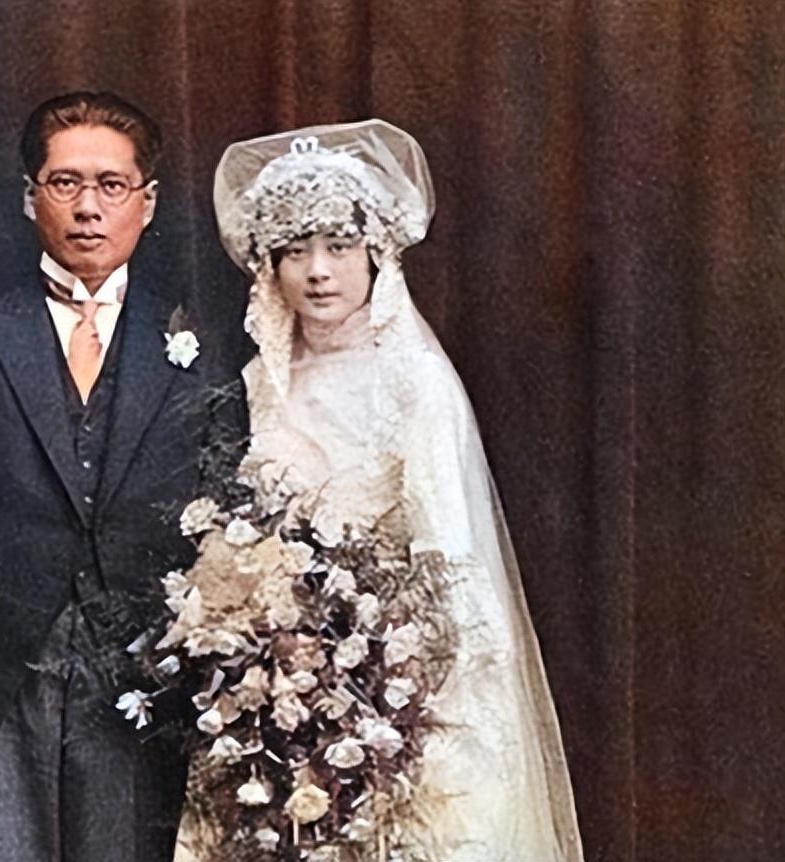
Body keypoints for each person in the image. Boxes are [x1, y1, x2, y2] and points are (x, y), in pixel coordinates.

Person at [175, 121, 584, 860]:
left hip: (401, 681)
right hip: (279, 685)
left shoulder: (413, 382)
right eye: (294, 251)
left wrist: (389, 675)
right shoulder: (257, 386)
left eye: (339, 247)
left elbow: (449, 557)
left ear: (375, 255)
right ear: (269, 267)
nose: (318, 272)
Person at [0, 91, 246, 862]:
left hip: (140, 700)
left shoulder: (200, 350)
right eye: (65, 182)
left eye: (111, 185)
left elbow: (229, 533)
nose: (88, 208)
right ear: (29, 197)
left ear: (146, 203)